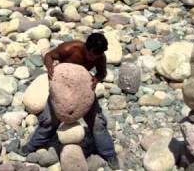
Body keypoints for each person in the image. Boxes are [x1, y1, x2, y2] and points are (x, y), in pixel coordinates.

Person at [18, 33, 120, 169]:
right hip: (62, 92)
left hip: (83, 91)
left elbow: (102, 73)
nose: (94, 58)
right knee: (48, 121)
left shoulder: (100, 56)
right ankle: (31, 147)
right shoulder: (70, 48)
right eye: (92, 55)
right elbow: (49, 56)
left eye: (98, 55)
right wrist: (50, 68)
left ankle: (109, 154)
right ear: (86, 47)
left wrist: (97, 78)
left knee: (98, 124)